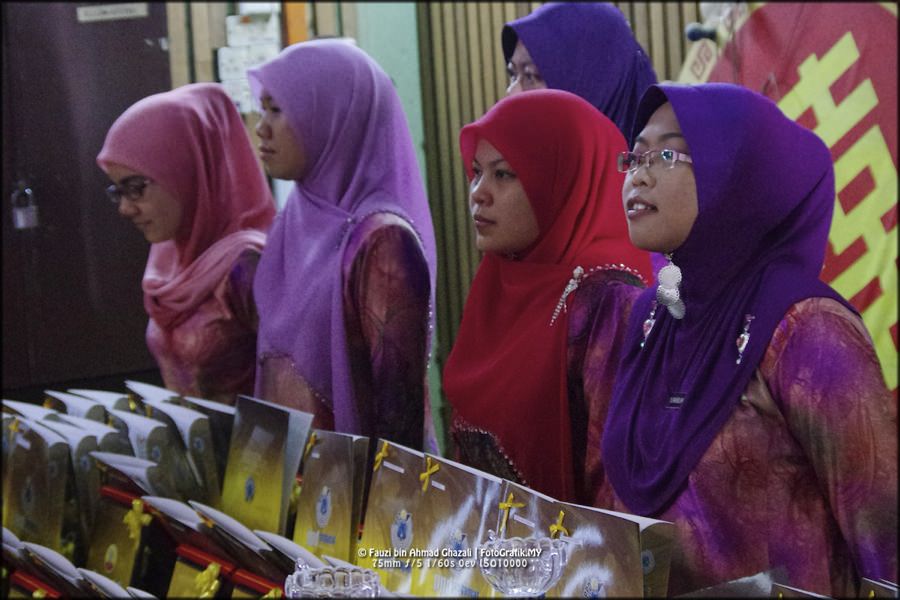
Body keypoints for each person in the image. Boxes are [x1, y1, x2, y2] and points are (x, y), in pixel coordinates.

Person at [601, 83, 897, 596]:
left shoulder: (805, 330)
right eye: (636, 155)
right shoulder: (651, 317)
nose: (638, 175)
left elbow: (886, 544)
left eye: (667, 155)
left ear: (738, 177)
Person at [443, 89, 653, 504]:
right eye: (476, 172)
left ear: (564, 181)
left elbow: (615, 487)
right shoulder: (498, 283)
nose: (478, 193)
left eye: (505, 174)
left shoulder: (608, 303)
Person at [247, 39, 439, 452]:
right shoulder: (293, 222)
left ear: (333, 116)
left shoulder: (381, 240)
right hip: (287, 480)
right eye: (262, 109)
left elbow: (398, 418)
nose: (261, 127)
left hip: (358, 485)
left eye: (277, 109)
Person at [97, 83, 275, 405]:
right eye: (118, 192)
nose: (125, 208)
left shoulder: (245, 265)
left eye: (136, 188)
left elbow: (289, 389)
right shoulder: (169, 254)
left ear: (186, 172)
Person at [502, 2, 657, 150]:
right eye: (513, 74)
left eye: (530, 76)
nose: (512, 93)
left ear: (593, 84)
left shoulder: (656, 165)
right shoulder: (511, 160)